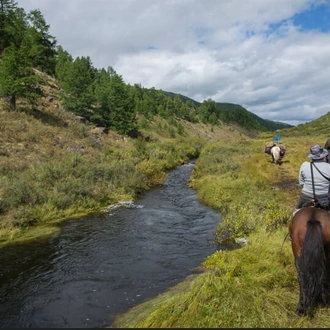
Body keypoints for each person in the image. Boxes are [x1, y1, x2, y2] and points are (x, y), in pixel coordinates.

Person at [293, 144, 330, 215]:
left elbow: (301, 182)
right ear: (324, 155)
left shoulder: (305, 165)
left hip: (306, 196)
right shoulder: (329, 167)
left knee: (296, 211)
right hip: (324, 198)